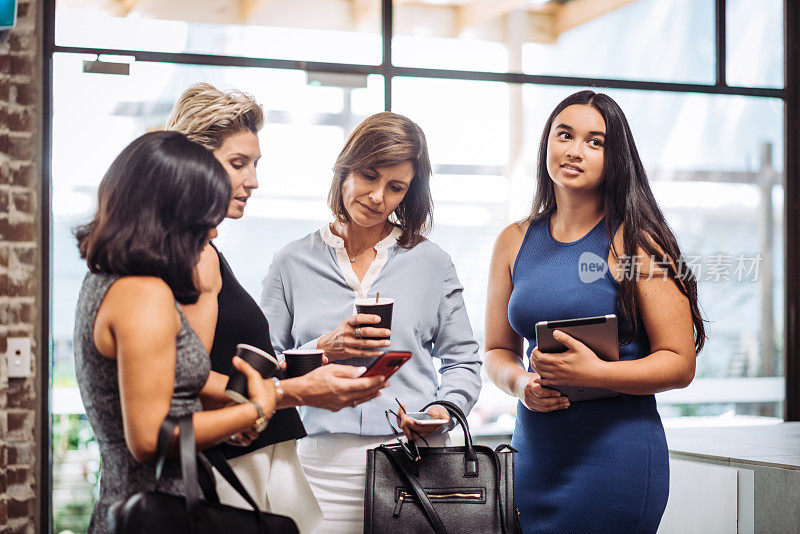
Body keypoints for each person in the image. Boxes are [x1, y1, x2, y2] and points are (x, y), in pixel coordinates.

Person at [165, 83, 387, 533]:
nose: (253, 180)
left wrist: (318, 357)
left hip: (253, 448)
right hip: (232, 458)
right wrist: (292, 394)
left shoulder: (204, 248)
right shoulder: (192, 254)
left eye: (255, 164)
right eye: (237, 164)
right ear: (195, 162)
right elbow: (185, 376)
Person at [484, 90, 705, 534]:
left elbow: (680, 364)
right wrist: (520, 382)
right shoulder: (514, 240)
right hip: (535, 455)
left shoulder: (640, 242)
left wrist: (594, 373)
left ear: (614, 157)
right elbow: (495, 350)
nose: (574, 150)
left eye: (594, 141)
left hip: (615, 458)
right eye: (564, 135)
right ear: (547, 141)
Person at [261, 111, 483, 533]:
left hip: (415, 466)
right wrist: (324, 348)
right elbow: (263, 370)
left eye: (395, 187)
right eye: (368, 175)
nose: (378, 196)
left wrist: (442, 409)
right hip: (317, 470)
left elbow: (464, 361)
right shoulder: (290, 262)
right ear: (345, 168)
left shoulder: (432, 262)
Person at [73, 131, 278, 534]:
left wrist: (233, 418)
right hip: (154, 512)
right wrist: (256, 409)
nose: (213, 234)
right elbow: (150, 437)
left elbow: (171, 398)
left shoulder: (109, 280)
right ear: (172, 215)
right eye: (206, 220)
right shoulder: (141, 294)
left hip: (141, 503)